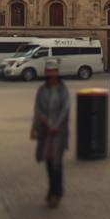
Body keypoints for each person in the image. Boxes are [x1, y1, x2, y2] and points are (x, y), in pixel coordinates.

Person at [32, 58, 71, 208]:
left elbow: (65, 109)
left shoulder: (63, 90)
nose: (51, 74)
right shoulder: (42, 90)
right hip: (46, 131)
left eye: (53, 71)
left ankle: (57, 193)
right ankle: (51, 191)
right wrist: (45, 121)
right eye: (48, 72)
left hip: (58, 132)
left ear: (57, 72)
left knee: (57, 163)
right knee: (48, 162)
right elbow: (38, 107)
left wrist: (55, 125)